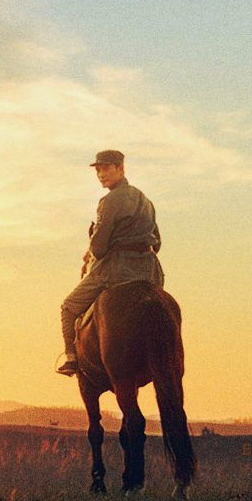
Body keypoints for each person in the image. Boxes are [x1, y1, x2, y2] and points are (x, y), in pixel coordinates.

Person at [57, 150, 164, 376]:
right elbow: (158, 243)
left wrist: (91, 252)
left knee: (67, 308)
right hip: (149, 273)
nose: (101, 174)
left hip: (114, 271)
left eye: (107, 168)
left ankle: (71, 358)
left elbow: (99, 247)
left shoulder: (108, 201)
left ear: (121, 168)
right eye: (98, 170)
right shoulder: (146, 201)